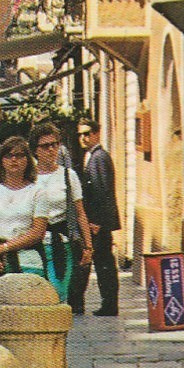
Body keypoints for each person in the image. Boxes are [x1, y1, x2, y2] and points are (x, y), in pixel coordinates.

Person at [0, 135, 48, 290]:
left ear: (28, 160)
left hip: (28, 263)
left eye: (19, 155)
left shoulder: (38, 192)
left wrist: (4, 247)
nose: (14, 160)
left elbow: (37, 232)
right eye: (9, 155)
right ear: (1, 160)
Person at [30, 121, 92, 302]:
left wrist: (88, 246)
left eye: (55, 144)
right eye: (45, 146)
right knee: (35, 298)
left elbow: (80, 213)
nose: (51, 149)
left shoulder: (68, 175)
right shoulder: (29, 177)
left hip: (61, 243)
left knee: (57, 295)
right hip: (33, 244)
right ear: (35, 150)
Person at [73, 119, 121, 316]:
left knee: (101, 264)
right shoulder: (92, 156)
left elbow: (102, 191)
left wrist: (97, 222)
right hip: (96, 222)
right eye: (80, 135)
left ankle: (108, 304)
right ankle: (104, 304)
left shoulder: (99, 157)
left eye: (87, 134)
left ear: (96, 134)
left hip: (97, 224)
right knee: (100, 263)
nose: (83, 138)